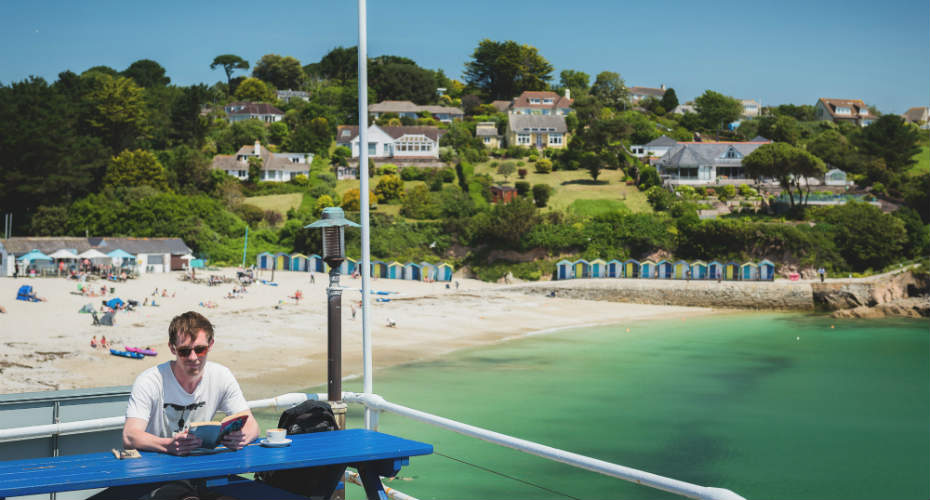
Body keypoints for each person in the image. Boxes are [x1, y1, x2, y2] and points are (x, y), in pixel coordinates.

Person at [116, 312, 259, 499]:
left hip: (203, 469)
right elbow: (130, 435)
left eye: (200, 349)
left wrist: (241, 438)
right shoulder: (150, 381)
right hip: (158, 473)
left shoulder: (221, 376)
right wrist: (167, 445)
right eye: (184, 351)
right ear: (172, 348)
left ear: (211, 345)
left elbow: (252, 425)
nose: (193, 357)